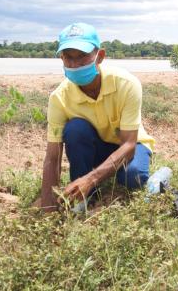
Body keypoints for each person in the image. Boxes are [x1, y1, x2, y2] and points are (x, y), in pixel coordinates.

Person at [39, 22, 155, 211]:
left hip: (129, 145)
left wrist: (91, 178)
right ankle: (85, 197)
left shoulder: (126, 84)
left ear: (99, 56)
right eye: (68, 57)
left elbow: (128, 145)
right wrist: (47, 205)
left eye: (83, 57)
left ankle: (158, 179)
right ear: (61, 58)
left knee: (133, 176)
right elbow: (53, 157)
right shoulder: (59, 98)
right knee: (75, 129)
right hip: (97, 147)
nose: (75, 65)